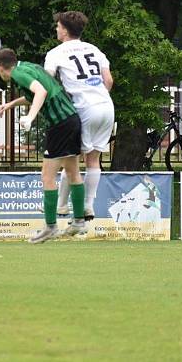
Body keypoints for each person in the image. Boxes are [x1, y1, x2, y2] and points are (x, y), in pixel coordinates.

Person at [0, 48, 86, 242]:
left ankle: (50, 227)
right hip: (72, 120)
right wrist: (11, 105)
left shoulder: (17, 74)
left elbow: (41, 92)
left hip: (59, 124)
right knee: (73, 172)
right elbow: (34, 93)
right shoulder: (28, 67)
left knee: (47, 176)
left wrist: (30, 117)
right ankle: (78, 221)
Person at [44, 11, 114, 221]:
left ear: (64, 30)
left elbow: (46, 82)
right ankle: (88, 206)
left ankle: (62, 206)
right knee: (94, 160)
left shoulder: (56, 53)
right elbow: (108, 80)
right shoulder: (95, 50)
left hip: (84, 107)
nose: (56, 29)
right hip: (106, 106)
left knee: (70, 159)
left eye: (58, 26)